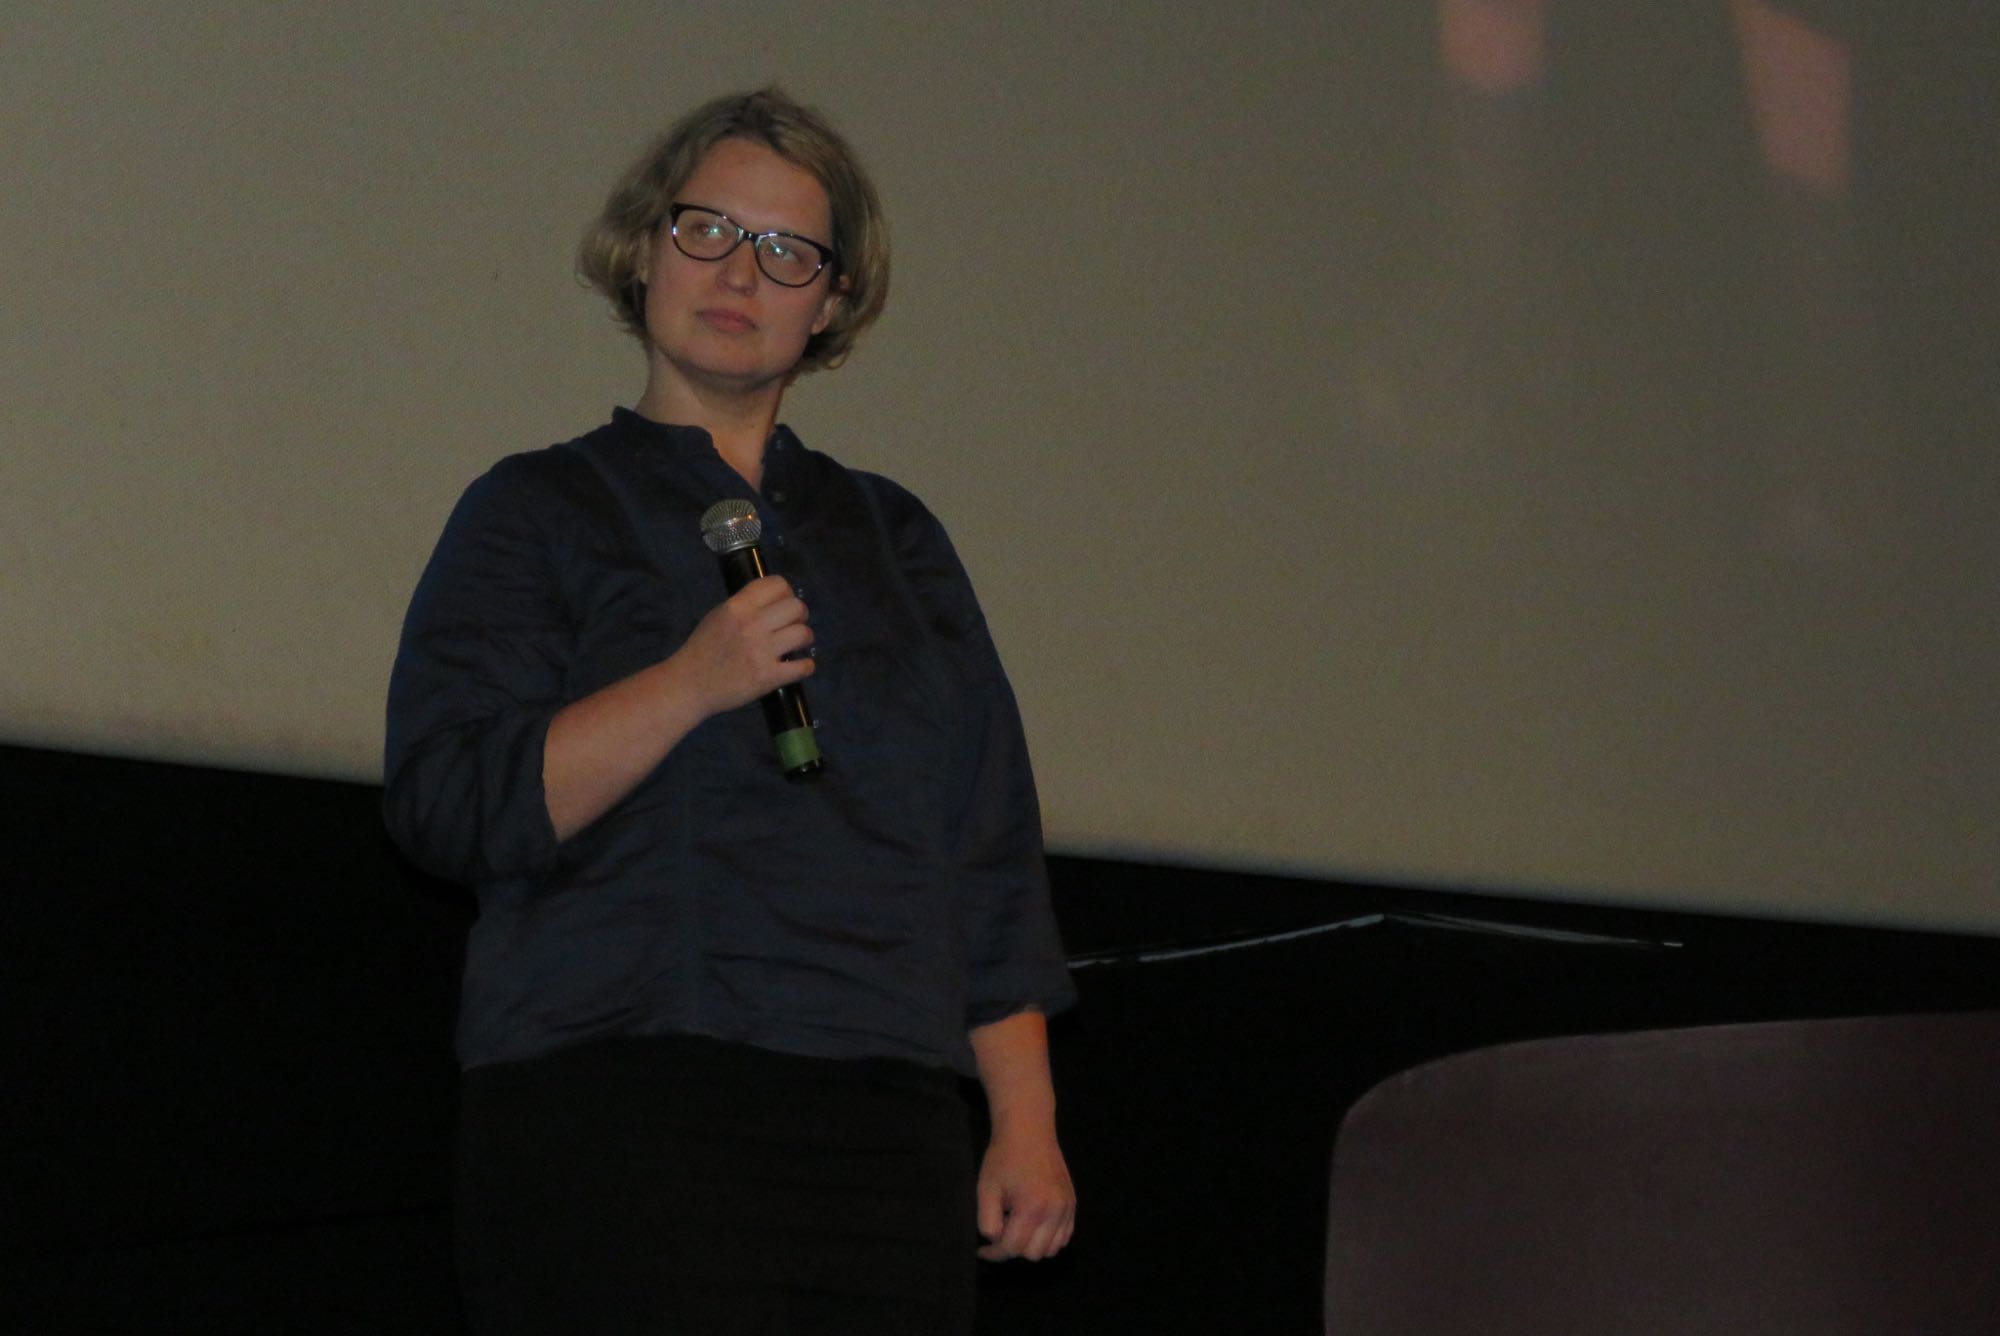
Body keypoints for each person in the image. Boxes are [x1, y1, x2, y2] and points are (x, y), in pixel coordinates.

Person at [383, 87, 1076, 1334]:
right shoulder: (539, 509)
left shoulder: (894, 536)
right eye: (706, 230)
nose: (739, 273)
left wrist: (1024, 1121)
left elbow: (982, 839)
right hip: (625, 1099)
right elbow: (448, 800)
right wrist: (687, 684)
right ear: (643, 248)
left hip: (886, 1128)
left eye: (786, 251)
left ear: (831, 302)